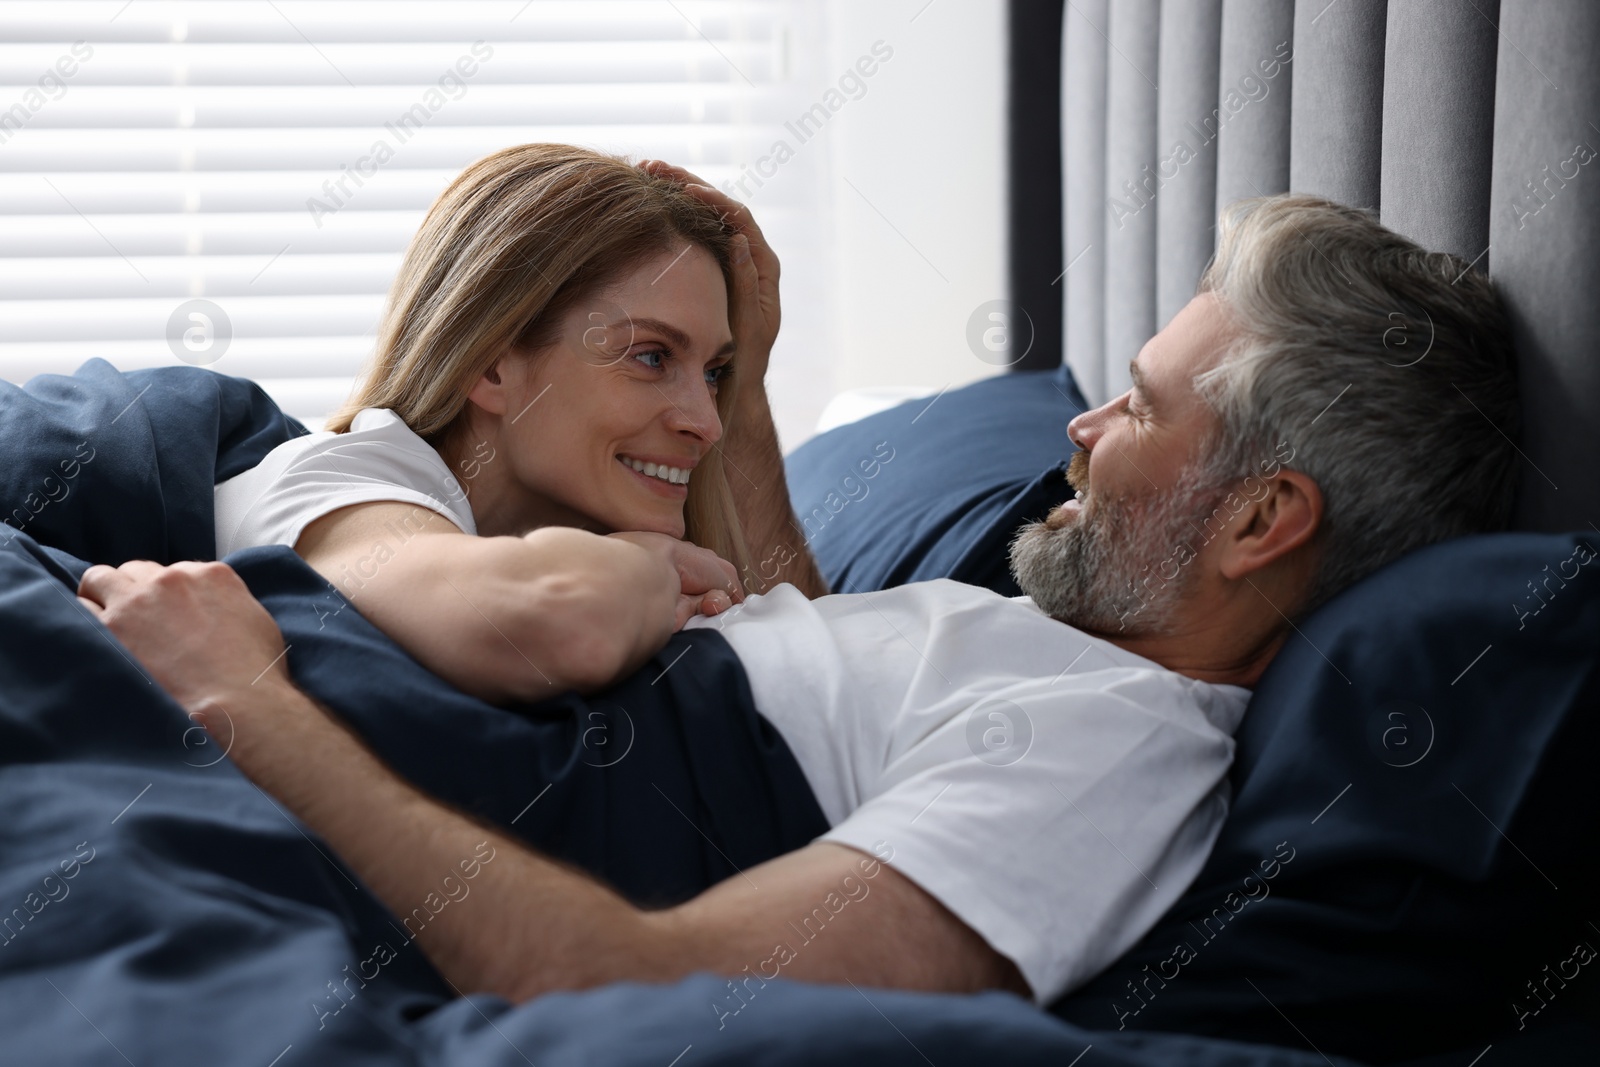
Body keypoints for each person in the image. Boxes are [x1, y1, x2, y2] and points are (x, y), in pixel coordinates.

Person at [81, 195, 1520, 1008]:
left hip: (302, 727)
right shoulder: (1043, 651)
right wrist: (750, 402)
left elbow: (624, 979)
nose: (1073, 436)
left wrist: (247, 702)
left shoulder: (1115, 748)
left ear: (1264, 520)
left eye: (1135, 409)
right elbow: (815, 660)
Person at [213, 145, 826, 704]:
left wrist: (746, 393)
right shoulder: (337, 481)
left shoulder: (589, 514)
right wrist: (649, 565)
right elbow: (546, 621)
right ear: (490, 368)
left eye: (714, 371)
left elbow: (827, 661)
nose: (705, 423)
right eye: (652, 357)